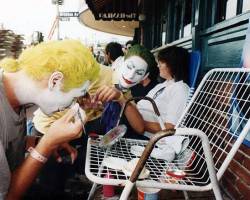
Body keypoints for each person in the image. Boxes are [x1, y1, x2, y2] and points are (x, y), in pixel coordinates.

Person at [0, 39, 99, 199]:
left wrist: (40, 141)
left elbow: (8, 141)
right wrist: (48, 143)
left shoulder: (16, 97)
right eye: (75, 97)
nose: (71, 106)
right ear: (55, 81)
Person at [95, 46, 190, 136]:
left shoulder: (180, 88)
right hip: (131, 122)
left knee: (116, 96)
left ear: (172, 64)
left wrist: (140, 123)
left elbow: (170, 127)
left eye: (161, 62)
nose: (158, 65)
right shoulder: (162, 85)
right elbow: (139, 107)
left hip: (138, 131)